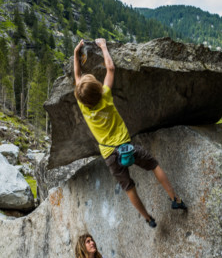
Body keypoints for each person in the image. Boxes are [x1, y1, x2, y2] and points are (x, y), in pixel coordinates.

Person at [74, 38, 187, 228]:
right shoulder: (106, 96)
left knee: (128, 187)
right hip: (127, 147)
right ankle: (175, 198)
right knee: (153, 165)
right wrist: (103, 46)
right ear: (98, 88)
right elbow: (111, 69)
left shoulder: (83, 105)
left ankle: (148, 218)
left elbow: (77, 76)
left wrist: (76, 53)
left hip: (109, 154)